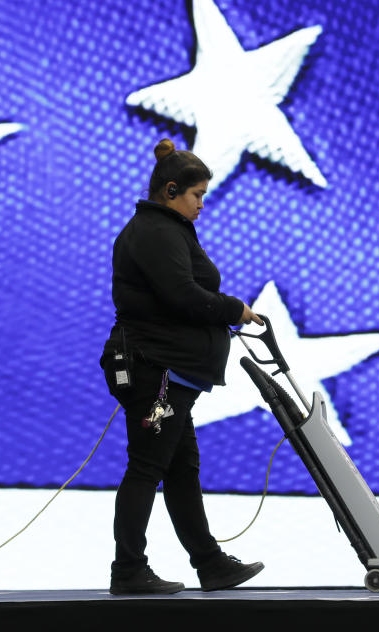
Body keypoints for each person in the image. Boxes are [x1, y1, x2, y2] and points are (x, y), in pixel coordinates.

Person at [99, 138, 265, 595]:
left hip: (170, 376)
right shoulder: (155, 232)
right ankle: (128, 570)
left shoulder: (167, 229)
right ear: (171, 190)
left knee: (179, 470)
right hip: (157, 374)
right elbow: (182, 295)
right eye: (198, 195)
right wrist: (234, 309)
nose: (202, 205)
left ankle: (210, 564)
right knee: (148, 467)